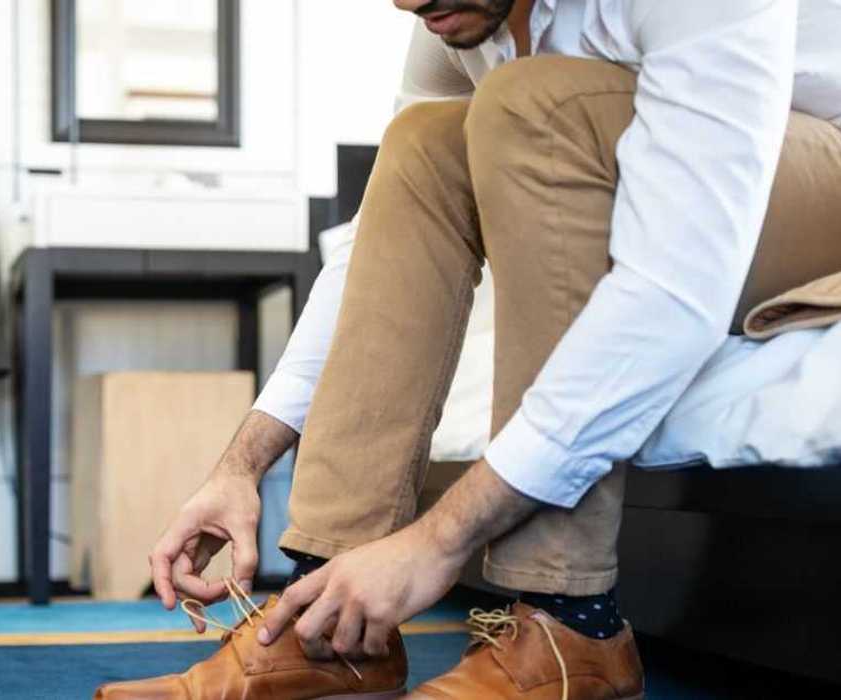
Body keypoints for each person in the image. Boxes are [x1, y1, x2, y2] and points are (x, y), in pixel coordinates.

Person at [97, 1, 841, 697]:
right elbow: (373, 244)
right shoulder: (448, 16)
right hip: (648, 180)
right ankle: (327, 621)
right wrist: (242, 467)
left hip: (808, 179)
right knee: (420, 144)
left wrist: (438, 541)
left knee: (532, 103)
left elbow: (673, 295)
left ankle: (569, 627)